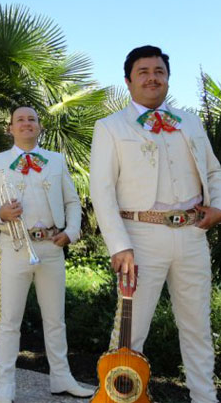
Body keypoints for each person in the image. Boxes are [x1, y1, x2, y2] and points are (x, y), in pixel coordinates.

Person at [90, 45, 221, 403]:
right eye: (143, 71)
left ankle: (205, 398)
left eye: (159, 71)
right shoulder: (110, 127)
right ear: (129, 80)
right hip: (139, 238)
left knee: (197, 327)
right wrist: (119, 245)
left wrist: (218, 207)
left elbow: (212, 170)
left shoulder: (190, 121)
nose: (152, 77)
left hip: (192, 235)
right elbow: (100, 190)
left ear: (167, 77)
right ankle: (120, 398)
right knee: (130, 332)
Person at [0, 107, 94, 403]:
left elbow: (72, 201)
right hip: (15, 247)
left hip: (51, 246)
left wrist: (72, 232)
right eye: (20, 120)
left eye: (32, 119)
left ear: (40, 127)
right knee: (9, 320)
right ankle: (5, 385)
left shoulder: (56, 160)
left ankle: (61, 378)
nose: (26, 124)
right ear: (10, 128)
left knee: (55, 319)